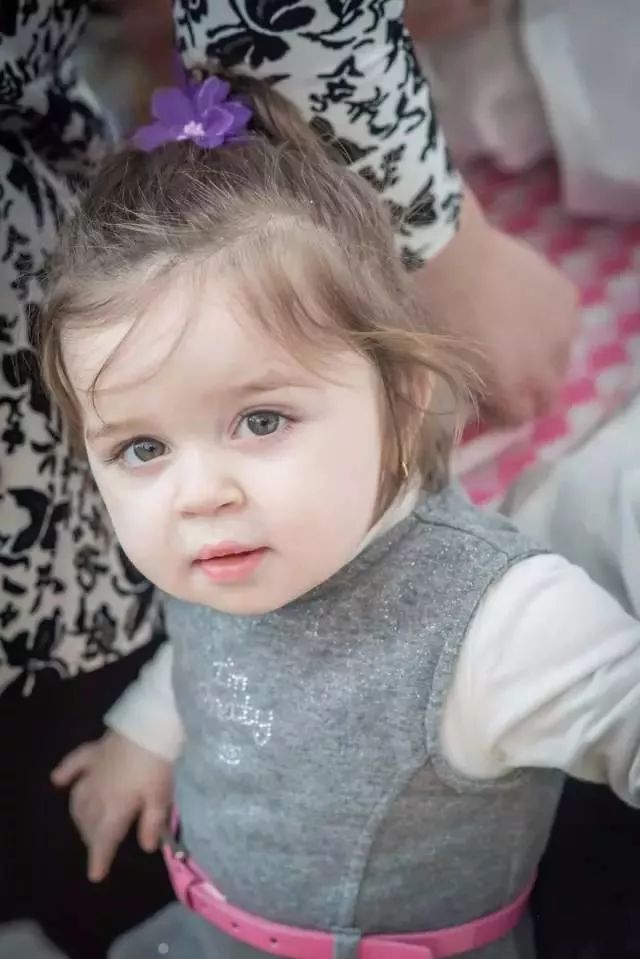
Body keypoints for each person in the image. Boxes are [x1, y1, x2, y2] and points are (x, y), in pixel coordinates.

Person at [0, 1, 577, 954]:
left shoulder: (497, 613)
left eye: (261, 420)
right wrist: (142, 734)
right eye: (142, 449)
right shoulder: (223, 557)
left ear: (402, 401)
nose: (198, 493)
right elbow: (207, 653)